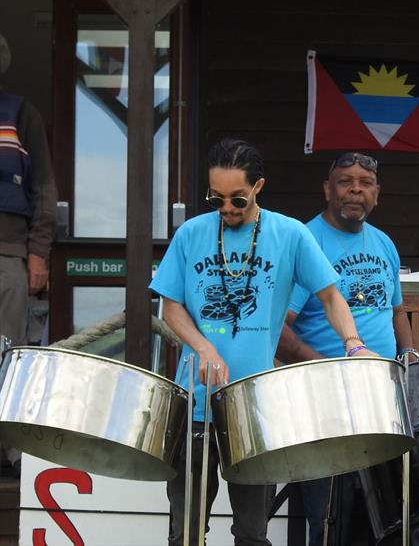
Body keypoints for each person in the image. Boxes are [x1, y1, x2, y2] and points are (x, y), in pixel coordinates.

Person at [150, 139, 375, 546]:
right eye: (215, 198)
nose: (226, 209)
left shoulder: (289, 234)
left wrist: (354, 343)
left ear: (258, 187)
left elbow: (330, 296)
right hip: (196, 400)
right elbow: (171, 306)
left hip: (255, 405)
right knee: (185, 531)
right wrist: (203, 347)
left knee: (252, 533)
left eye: (237, 199)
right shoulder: (191, 233)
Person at [277, 151, 415, 546]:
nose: (355, 189)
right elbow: (279, 331)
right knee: (328, 515)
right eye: (345, 181)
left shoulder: (384, 243)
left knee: (382, 516)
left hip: (380, 398)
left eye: (365, 183)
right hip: (324, 399)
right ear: (327, 189)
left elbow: (397, 311)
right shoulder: (306, 241)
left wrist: (410, 358)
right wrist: (329, 369)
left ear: (377, 194)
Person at [0, 33, 57, 478]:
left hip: (8, 254)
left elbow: (43, 191)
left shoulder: (21, 113)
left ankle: (6, 456)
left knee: (7, 359)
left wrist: (37, 253)